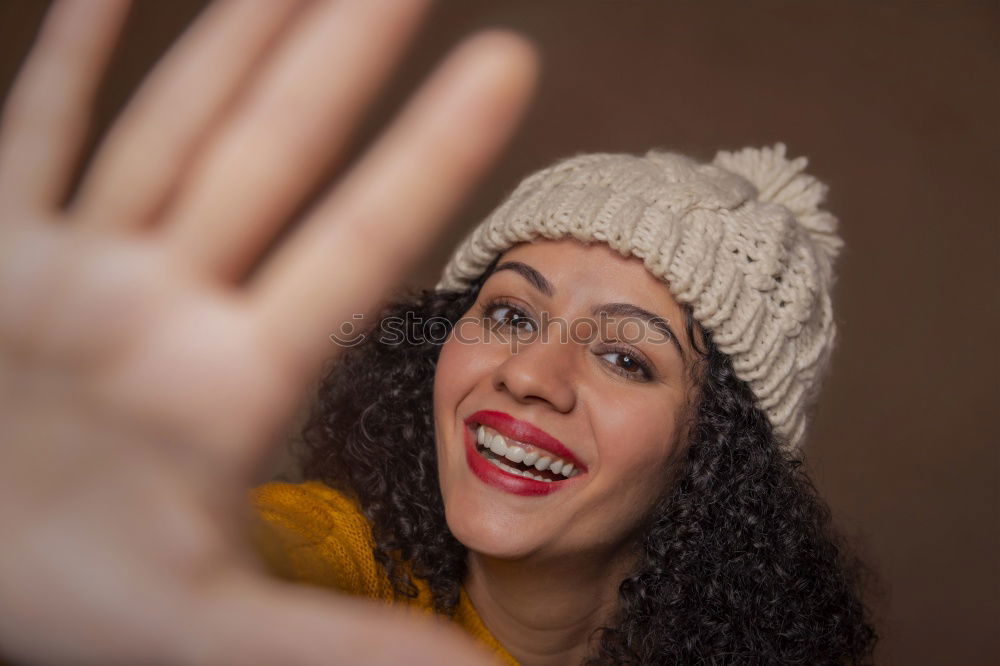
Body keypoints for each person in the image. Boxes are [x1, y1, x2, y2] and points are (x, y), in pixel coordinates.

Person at [0, 1, 877, 665]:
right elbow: (248, 550)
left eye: (623, 356)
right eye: (507, 313)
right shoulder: (332, 558)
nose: (532, 374)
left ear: (718, 464)